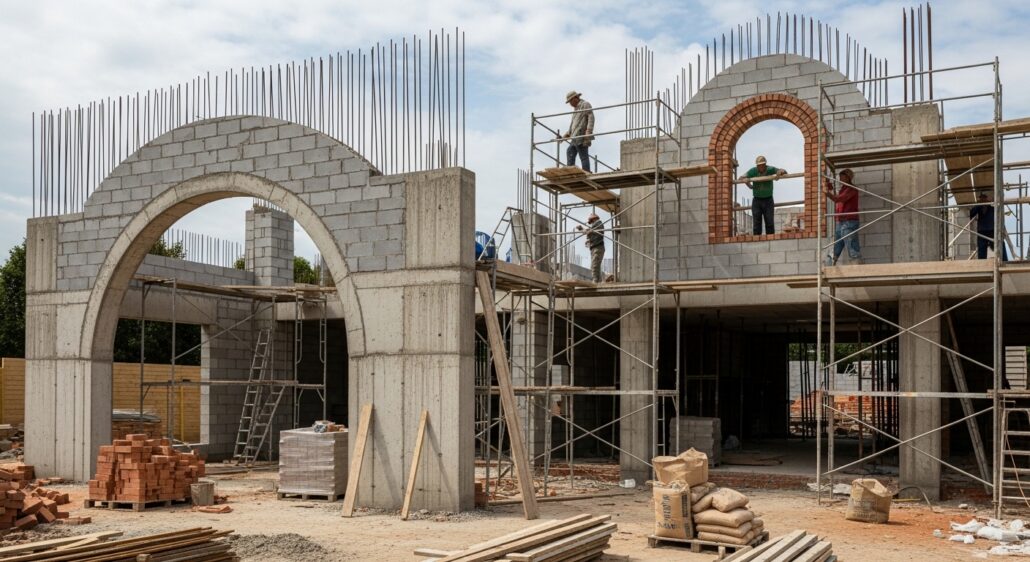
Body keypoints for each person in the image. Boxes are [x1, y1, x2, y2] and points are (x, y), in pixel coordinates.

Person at [738, 156, 787, 235]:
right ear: (757, 166)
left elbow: (783, 171)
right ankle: (757, 242)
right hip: (757, 201)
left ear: (765, 165)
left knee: (769, 222)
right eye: (759, 165)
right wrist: (747, 182)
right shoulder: (753, 171)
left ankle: (771, 240)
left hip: (768, 200)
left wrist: (780, 172)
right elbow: (741, 177)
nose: (761, 167)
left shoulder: (770, 169)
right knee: (757, 223)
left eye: (762, 165)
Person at [824, 168, 863, 265]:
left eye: (842, 176)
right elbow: (837, 195)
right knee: (837, 243)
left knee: (851, 242)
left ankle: (856, 264)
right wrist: (827, 184)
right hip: (840, 220)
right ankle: (830, 264)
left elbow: (839, 199)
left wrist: (827, 194)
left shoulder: (851, 189)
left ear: (848, 177)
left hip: (849, 221)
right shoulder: (843, 189)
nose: (840, 178)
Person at [970, 192, 1008, 260]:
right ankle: (982, 262)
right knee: (982, 248)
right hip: (982, 230)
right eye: (982, 198)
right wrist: (979, 204)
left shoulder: (992, 207)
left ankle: (1004, 260)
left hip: (993, 229)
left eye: (984, 198)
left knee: (999, 244)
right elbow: (971, 214)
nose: (983, 199)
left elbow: (999, 213)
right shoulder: (979, 208)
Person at [563, 91, 594, 172]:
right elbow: (573, 126)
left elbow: (591, 118)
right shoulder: (575, 110)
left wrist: (588, 131)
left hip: (581, 135)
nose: (570, 104)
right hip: (575, 136)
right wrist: (563, 137)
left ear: (575, 98)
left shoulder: (585, 104)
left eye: (570, 101)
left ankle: (586, 172)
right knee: (570, 151)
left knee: (583, 155)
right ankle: (570, 171)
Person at [576, 213, 605, 282]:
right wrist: (589, 240)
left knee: (594, 266)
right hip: (595, 248)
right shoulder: (595, 226)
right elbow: (589, 232)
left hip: (598, 248)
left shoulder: (598, 224)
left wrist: (581, 229)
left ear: (594, 219)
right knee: (596, 266)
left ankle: (595, 281)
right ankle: (598, 281)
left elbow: (589, 231)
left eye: (591, 221)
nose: (591, 223)